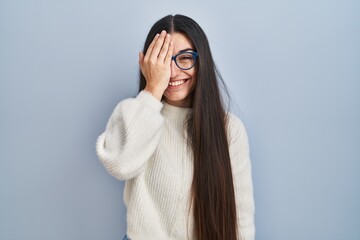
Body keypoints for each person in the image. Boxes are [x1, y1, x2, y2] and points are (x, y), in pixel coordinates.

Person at [96, 14, 255, 240]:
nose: (172, 71)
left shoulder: (230, 129)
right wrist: (152, 90)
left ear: (202, 62)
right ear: (147, 63)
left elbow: (241, 218)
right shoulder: (135, 114)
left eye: (185, 58)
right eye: (162, 59)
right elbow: (119, 165)